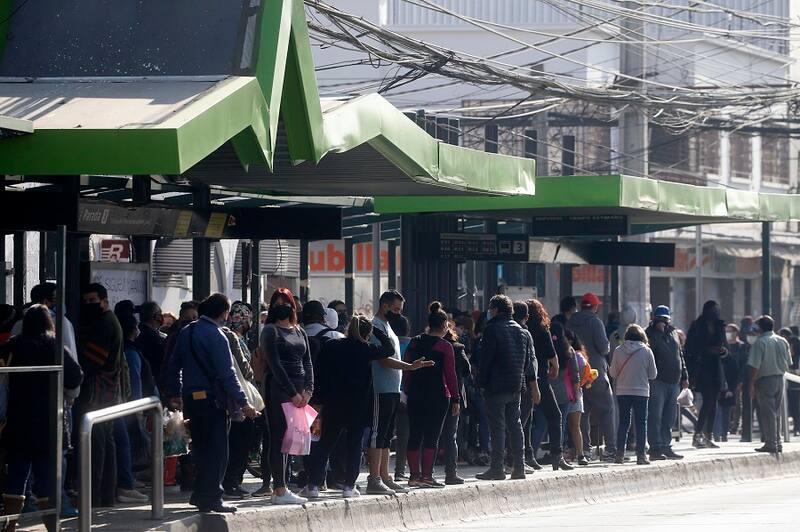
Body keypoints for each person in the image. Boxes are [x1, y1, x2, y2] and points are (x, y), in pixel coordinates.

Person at [305, 316, 430, 498]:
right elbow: (389, 348)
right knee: (354, 445)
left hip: (333, 403)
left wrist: (318, 401)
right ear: (368, 333)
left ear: (348, 328)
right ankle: (349, 486)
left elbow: (320, 373)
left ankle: (314, 485)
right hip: (359, 405)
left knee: (325, 444)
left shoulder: (332, 345)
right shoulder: (367, 349)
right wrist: (377, 331)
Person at [167, 293, 259, 513]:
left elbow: (173, 364)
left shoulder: (186, 332)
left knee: (200, 449)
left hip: (191, 400)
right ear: (224, 313)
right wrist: (244, 403)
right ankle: (213, 498)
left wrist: (174, 393)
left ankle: (200, 495)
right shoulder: (218, 335)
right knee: (217, 451)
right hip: (213, 401)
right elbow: (228, 374)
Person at [0, 305, 83, 532]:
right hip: (49, 424)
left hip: (17, 422)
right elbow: (76, 377)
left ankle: (8, 526)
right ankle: (52, 527)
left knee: (16, 477)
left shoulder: (13, 346)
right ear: (48, 323)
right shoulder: (54, 347)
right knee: (46, 480)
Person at [476, 295, 538, 481]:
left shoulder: (492, 329)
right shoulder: (524, 332)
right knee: (515, 426)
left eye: (490, 308)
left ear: (496, 309)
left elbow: (486, 360)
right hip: (516, 386)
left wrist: (481, 382)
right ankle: (518, 467)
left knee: (497, 427)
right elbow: (528, 362)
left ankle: (497, 468)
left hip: (496, 386)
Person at [260, 288, 313, 505]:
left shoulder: (300, 331)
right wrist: (292, 393)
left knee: (294, 439)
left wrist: (308, 390)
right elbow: (275, 365)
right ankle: (280, 488)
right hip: (280, 389)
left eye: (285, 302)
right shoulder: (270, 331)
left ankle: (284, 486)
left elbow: (308, 362)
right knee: (280, 437)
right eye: (277, 303)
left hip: (301, 391)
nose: (281, 306)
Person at [76, 283, 124, 508]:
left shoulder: (105, 324)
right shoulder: (107, 321)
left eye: (93, 300)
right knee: (105, 440)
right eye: (86, 301)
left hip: (99, 392)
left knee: (98, 441)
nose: (89, 305)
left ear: (104, 300)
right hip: (106, 391)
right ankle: (104, 494)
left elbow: (92, 362)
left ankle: (96, 494)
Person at [402, 302, 460, 488]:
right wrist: (456, 398)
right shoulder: (445, 346)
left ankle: (413, 476)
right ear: (445, 327)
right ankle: (427, 476)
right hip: (438, 395)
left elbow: (407, 369)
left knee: (415, 434)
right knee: (432, 436)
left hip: (415, 394)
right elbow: (450, 375)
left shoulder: (415, 341)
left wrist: (407, 391)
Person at [367, 290, 410, 495]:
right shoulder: (375, 327)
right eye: (395, 309)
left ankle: (384, 476)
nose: (398, 313)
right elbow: (382, 359)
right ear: (384, 305)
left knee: (385, 435)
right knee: (377, 434)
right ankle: (373, 478)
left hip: (392, 388)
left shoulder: (388, 327)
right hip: (380, 388)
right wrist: (409, 367)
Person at [568, 293, 616, 461]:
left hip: (575, 374)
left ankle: (585, 450)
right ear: (595, 307)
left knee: (582, 414)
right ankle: (610, 449)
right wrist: (608, 346)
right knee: (607, 410)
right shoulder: (596, 322)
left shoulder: (570, 322)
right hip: (595, 373)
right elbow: (603, 348)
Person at [527, 299, 572, 471]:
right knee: (555, 416)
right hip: (540, 379)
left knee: (525, 420)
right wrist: (555, 368)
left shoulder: (523, 330)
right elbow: (553, 356)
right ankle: (557, 456)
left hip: (523, 379)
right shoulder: (542, 330)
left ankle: (527, 455)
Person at [222, 301, 259, 499]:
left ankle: (232, 481)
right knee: (240, 441)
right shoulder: (234, 339)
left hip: (231, 398)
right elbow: (246, 371)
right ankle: (232, 482)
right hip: (239, 399)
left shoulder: (227, 335)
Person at [609, 324, 657, 465]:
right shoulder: (647, 351)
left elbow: (612, 373)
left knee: (624, 423)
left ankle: (619, 454)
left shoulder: (618, 350)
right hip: (641, 392)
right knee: (641, 424)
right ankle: (641, 455)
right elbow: (653, 374)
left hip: (623, 391)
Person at [645, 306, 688, 461]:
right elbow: (651, 351)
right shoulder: (649, 333)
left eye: (665, 319)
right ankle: (655, 448)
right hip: (658, 381)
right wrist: (658, 332)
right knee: (655, 416)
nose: (663, 322)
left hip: (674, 381)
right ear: (654, 318)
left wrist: (684, 375)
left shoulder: (674, 333)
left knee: (669, 417)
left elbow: (680, 355)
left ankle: (666, 446)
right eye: (660, 319)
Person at [685, 300, 728, 449]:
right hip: (702, 367)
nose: (715, 313)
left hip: (716, 367)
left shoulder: (720, 325)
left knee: (714, 402)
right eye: (712, 310)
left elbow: (725, 346)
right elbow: (690, 347)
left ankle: (708, 435)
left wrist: (722, 351)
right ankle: (698, 434)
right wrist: (706, 350)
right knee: (708, 399)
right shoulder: (697, 325)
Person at [747, 315, 792, 453]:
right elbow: (789, 362)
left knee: (767, 413)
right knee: (776, 412)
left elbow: (754, 365)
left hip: (765, 380)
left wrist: (751, 384)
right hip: (780, 379)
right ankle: (777, 442)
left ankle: (771, 443)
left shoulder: (760, 342)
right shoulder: (782, 340)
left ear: (760, 327)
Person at [439, 316, 471, 485]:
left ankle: (423, 473)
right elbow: (467, 370)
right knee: (451, 435)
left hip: (433, 395)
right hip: (454, 396)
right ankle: (450, 473)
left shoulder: (428, 345)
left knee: (430, 434)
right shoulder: (458, 348)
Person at [550, 325, 585, 466]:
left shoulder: (547, 348)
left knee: (544, 425)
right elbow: (576, 375)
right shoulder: (568, 351)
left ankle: (533, 453)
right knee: (564, 425)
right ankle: (562, 455)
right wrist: (577, 393)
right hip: (565, 393)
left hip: (547, 391)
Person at [713, 343, 740, 443]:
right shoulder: (714, 360)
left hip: (728, 391)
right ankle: (716, 435)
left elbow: (736, 377)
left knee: (726, 414)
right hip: (716, 391)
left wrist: (731, 390)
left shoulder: (731, 361)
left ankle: (724, 435)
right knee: (716, 413)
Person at [726, 324, 749, 435]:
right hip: (725, 378)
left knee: (737, 403)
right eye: (727, 331)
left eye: (730, 331)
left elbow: (744, 364)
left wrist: (741, 380)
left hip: (737, 378)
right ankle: (726, 424)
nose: (728, 333)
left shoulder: (741, 346)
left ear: (736, 332)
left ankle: (735, 425)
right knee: (726, 403)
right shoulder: (724, 345)